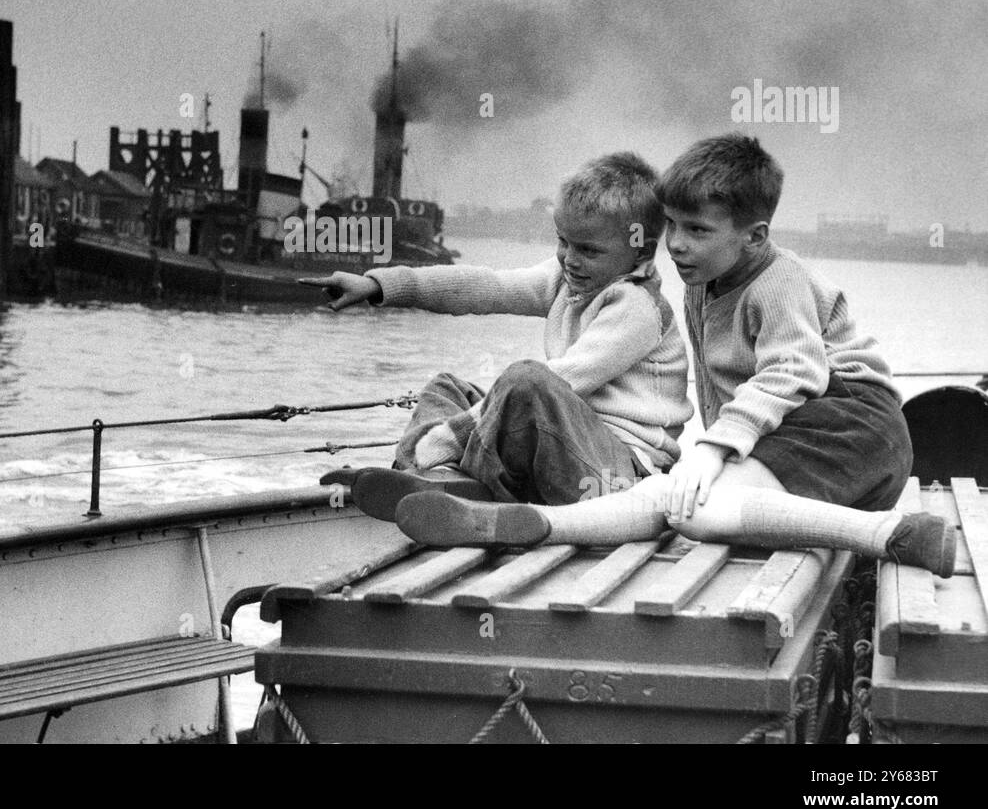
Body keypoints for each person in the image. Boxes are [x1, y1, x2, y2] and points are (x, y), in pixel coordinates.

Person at [394, 134, 956, 579]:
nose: (678, 245)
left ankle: (892, 533)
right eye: (673, 228)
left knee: (696, 509)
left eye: (698, 230)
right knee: (681, 500)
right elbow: (490, 285)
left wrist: (710, 452)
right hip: (801, 430)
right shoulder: (702, 279)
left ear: (755, 236)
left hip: (851, 422)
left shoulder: (775, 281)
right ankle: (522, 519)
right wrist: (388, 285)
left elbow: (795, 371)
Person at [300, 152, 693, 521]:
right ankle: (419, 477)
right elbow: (483, 287)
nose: (569, 259)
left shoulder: (636, 308)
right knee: (446, 388)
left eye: (588, 250)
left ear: (641, 252)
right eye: (562, 241)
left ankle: (437, 469)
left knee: (527, 381)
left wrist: (446, 438)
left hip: (619, 477)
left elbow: (564, 381)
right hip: (567, 450)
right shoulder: (569, 281)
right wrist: (379, 285)